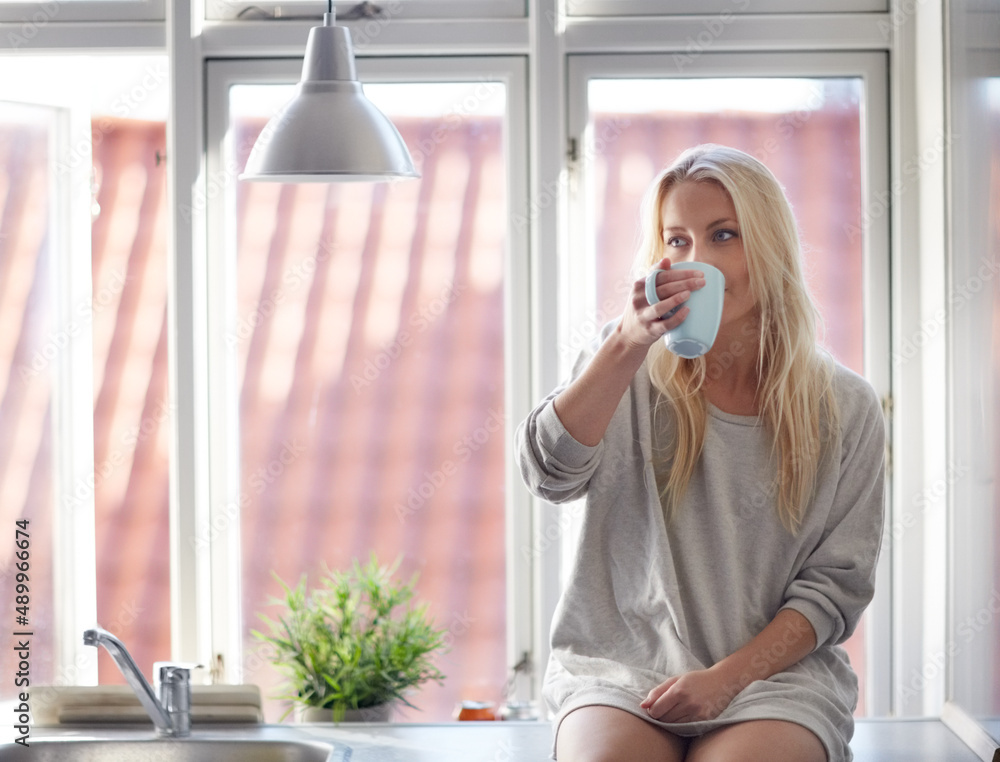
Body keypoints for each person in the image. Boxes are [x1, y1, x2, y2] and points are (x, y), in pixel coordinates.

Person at [515, 144, 885, 762]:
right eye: (677, 240)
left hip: (774, 683)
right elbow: (547, 475)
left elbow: (835, 588)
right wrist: (627, 344)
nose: (696, 260)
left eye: (723, 236)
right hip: (621, 669)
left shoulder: (846, 407)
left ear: (770, 249)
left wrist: (724, 681)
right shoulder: (624, 361)